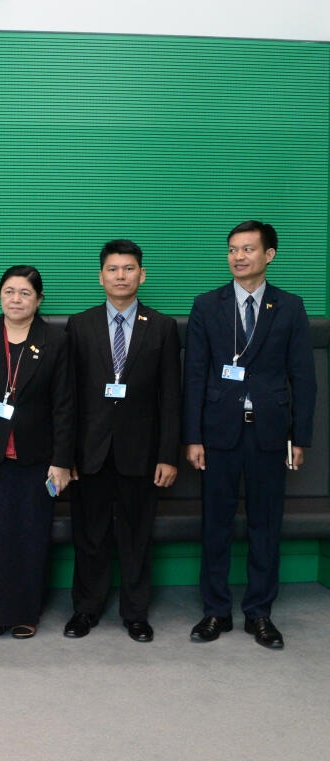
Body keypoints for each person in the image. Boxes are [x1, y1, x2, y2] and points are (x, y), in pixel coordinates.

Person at [184, 220, 315, 650]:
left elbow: (304, 378)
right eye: (232, 249)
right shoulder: (207, 305)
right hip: (218, 433)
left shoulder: (291, 307)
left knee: (265, 526)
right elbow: (196, 376)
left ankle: (259, 613)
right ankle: (216, 610)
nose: (238, 257)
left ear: (269, 255)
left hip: (271, 435)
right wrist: (193, 436)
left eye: (247, 249)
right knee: (215, 525)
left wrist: (301, 438)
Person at [64, 240, 181, 643]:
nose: (120, 276)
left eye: (128, 269)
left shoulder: (162, 327)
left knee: (136, 535)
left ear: (141, 275)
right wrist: (66, 456)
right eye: (112, 269)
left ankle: (135, 614)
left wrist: (168, 455)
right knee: (90, 535)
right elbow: (69, 398)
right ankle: (86, 609)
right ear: (101, 277)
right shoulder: (79, 325)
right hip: (89, 452)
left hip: (142, 454)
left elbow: (171, 398)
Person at [0, 265, 74, 638]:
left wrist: (62, 461)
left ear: (39, 299)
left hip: (38, 459)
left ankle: (26, 613)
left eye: (25, 293)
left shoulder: (56, 341)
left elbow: (65, 405)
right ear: (0, 295)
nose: (16, 299)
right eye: (10, 292)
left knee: (31, 536)